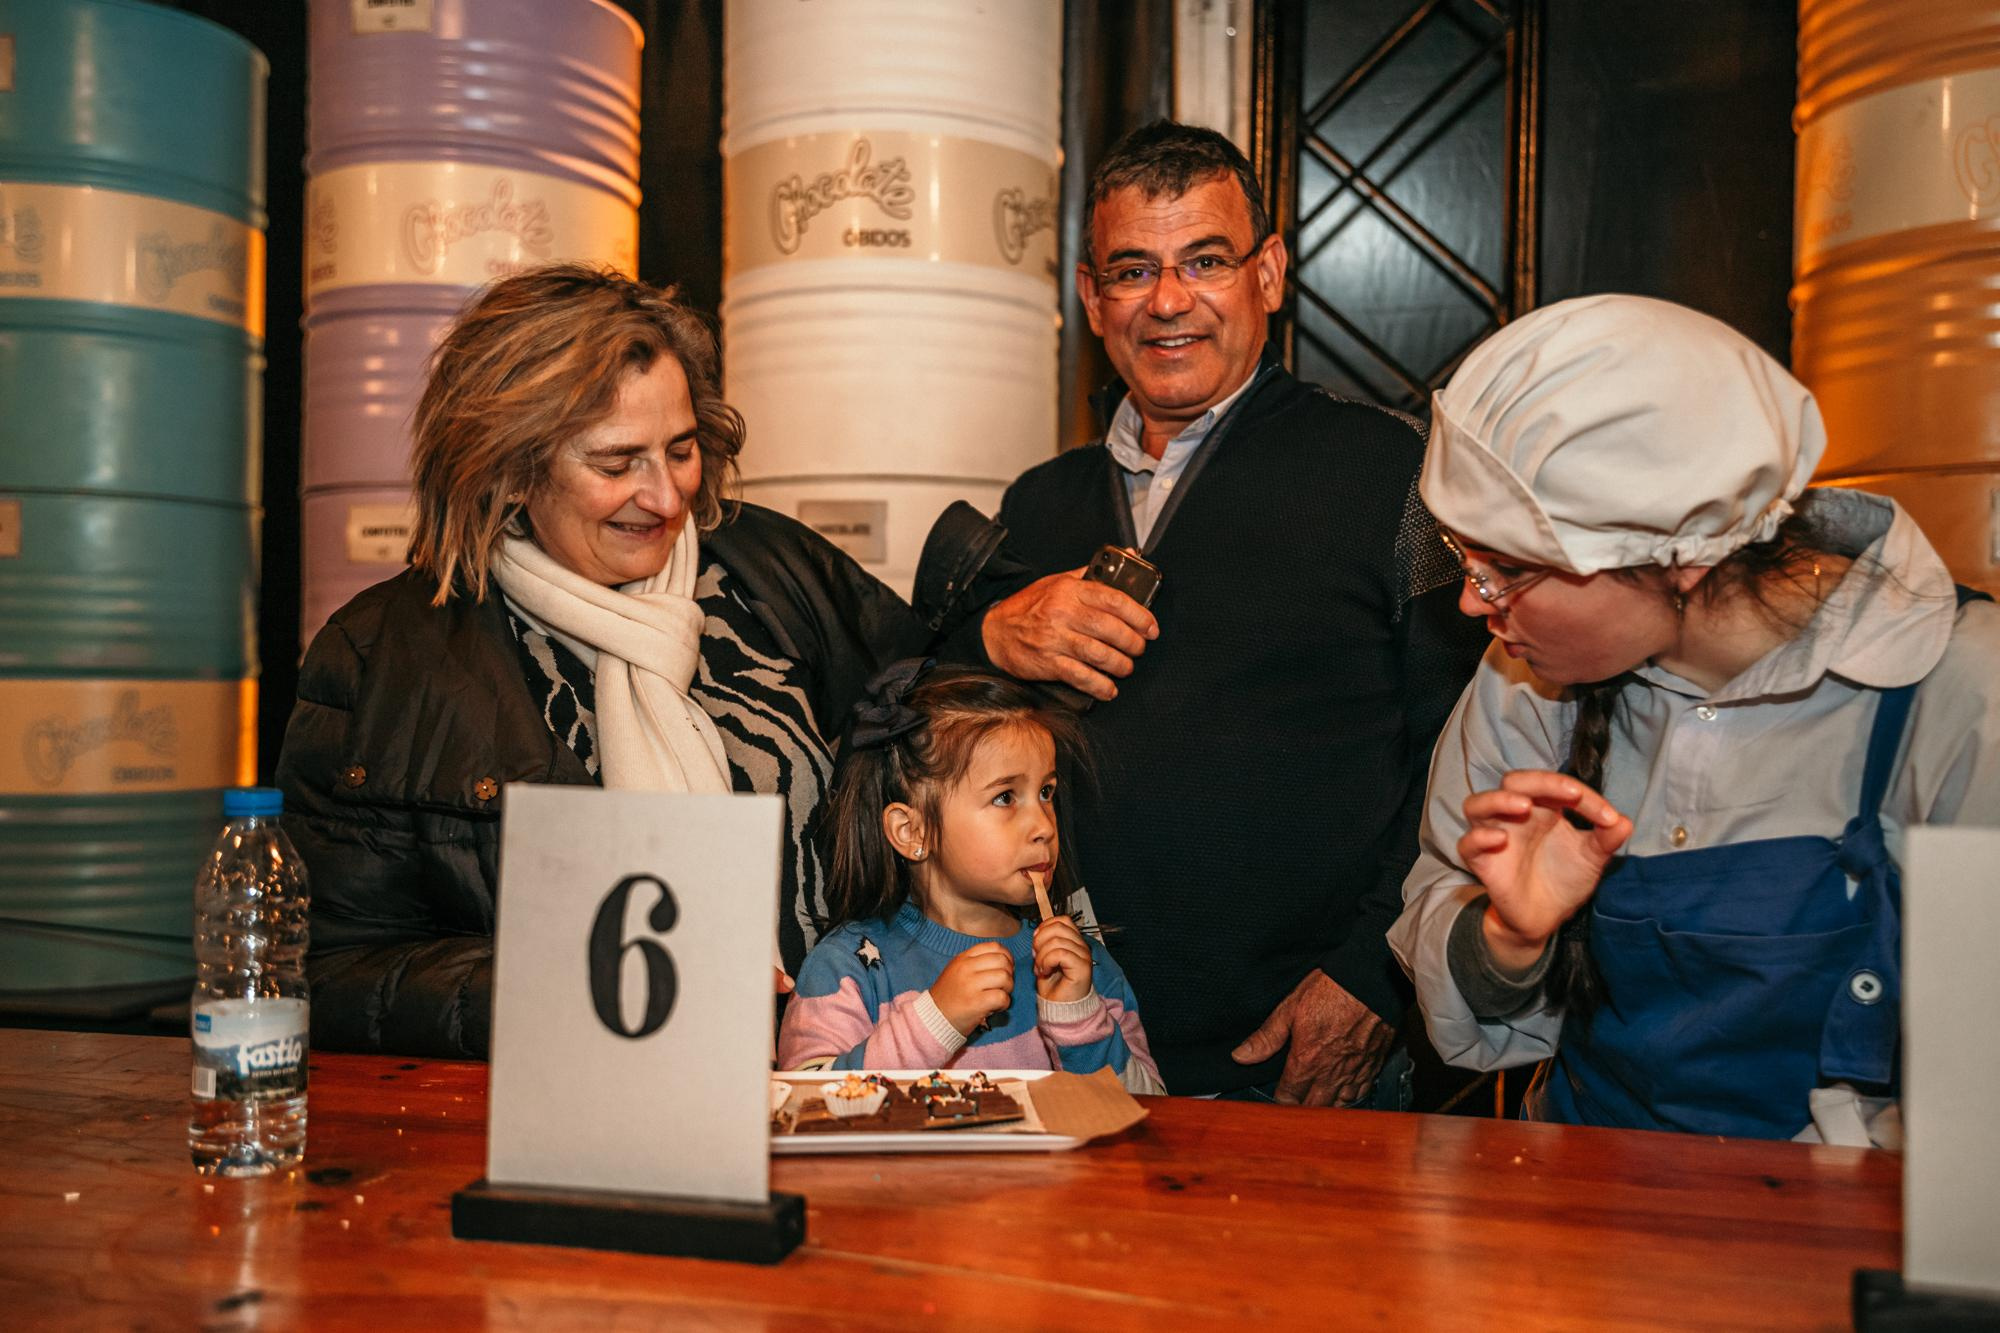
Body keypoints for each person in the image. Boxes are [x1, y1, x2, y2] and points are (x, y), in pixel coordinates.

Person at [932, 121, 1488, 1103]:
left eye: (1205, 261)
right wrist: (987, 632)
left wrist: (1373, 974)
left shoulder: (1393, 470)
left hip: (1285, 1046)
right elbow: (935, 729)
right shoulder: (1040, 502)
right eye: (1133, 269)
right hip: (1056, 1034)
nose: (1168, 302)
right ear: (1090, 293)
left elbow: (1470, 745)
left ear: (1267, 272)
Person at [277, 264, 940, 1059]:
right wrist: (580, 978)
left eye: (682, 449)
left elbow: (940, 753)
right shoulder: (383, 658)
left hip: (844, 1087)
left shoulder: (773, 569)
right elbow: (331, 972)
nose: (665, 497)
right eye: (617, 462)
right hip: (567, 1120)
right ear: (512, 469)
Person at [1387, 294, 2000, 1145]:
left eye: (1509, 568)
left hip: (1840, 1235)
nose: (1471, 601)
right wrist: (1507, 939)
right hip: (1585, 1187)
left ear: (1685, 554)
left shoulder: (1960, 689)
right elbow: (1450, 955)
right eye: (1466, 559)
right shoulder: (1525, 681)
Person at [778, 661, 1164, 1092]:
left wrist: (1079, 1017)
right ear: (913, 832)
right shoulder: (849, 969)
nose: (1044, 826)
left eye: (1046, 793)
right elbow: (802, 1109)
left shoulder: (1082, 965)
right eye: (1005, 797)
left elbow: (1149, 1114)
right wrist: (934, 1021)